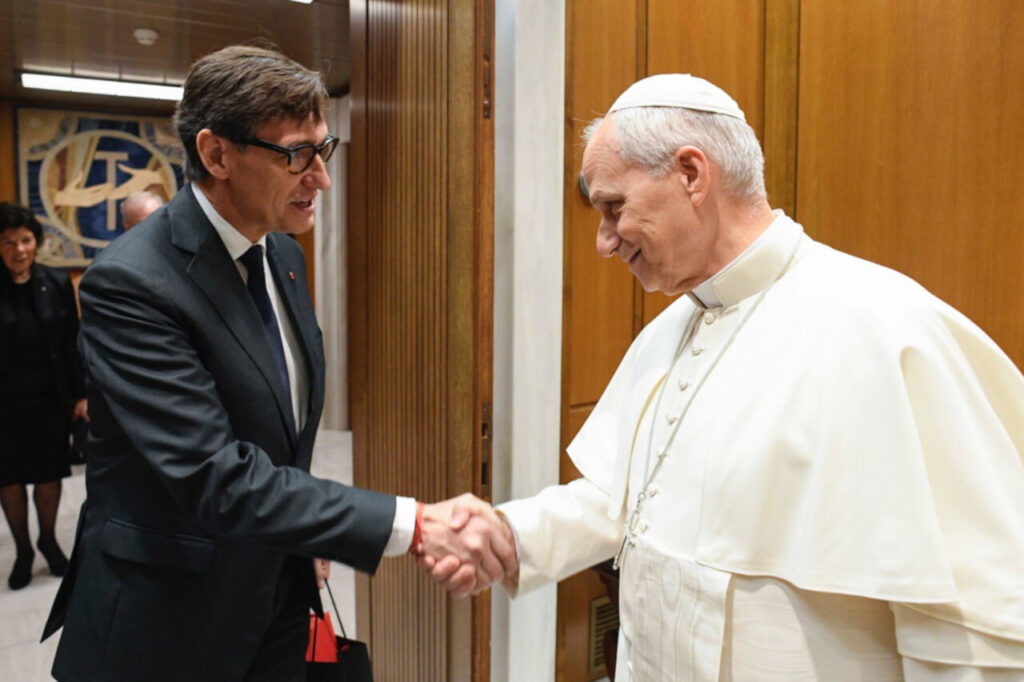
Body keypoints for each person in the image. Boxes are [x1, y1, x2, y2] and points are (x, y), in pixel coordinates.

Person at [423, 74, 1024, 679]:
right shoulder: (671, 329)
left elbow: (969, 628)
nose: (604, 242)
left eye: (614, 208)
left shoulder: (886, 328)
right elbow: (625, 500)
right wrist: (508, 533)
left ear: (691, 174)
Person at [41, 45, 514, 682]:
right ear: (216, 155)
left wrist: (307, 533)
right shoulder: (129, 284)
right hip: (169, 620)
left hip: (277, 593)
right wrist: (417, 523)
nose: (319, 178)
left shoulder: (283, 257)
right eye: (295, 155)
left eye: (324, 150)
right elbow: (215, 475)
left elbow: (280, 432)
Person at [0, 203, 87, 590]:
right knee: (10, 482)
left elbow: (72, 343)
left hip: (49, 401)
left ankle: (49, 541)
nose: (19, 249)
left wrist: (81, 395)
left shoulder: (54, 282)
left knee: (48, 477)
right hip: (3, 407)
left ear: (36, 242)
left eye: (25, 240)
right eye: (8, 243)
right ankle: (23, 551)